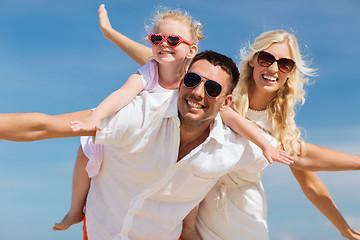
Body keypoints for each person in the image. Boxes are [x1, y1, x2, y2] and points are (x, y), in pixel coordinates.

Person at [99, 20, 360, 239]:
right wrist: (111, 34)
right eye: (266, 58)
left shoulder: (280, 127)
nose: (272, 68)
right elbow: (168, 63)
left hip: (244, 214)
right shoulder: (221, 93)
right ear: (254, 61)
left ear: (290, 73)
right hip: (194, 204)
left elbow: (309, 178)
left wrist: (344, 230)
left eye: (284, 64)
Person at [53, 5, 292, 231]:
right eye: (157, 39)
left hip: (186, 160)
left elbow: (234, 119)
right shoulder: (157, 72)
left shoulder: (199, 83)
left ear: (190, 50)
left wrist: (264, 146)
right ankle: (75, 209)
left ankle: (187, 229)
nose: (164, 45)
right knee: (86, 148)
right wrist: (96, 118)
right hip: (142, 141)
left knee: (192, 179)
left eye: (173, 40)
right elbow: (124, 91)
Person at [0, 50, 278, 240]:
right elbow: (44, 126)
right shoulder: (140, 114)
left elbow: (296, 155)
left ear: (226, 102)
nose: (197, 93)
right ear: (182, 82)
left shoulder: (234, 147)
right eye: (192, 81)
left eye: (213, 89)